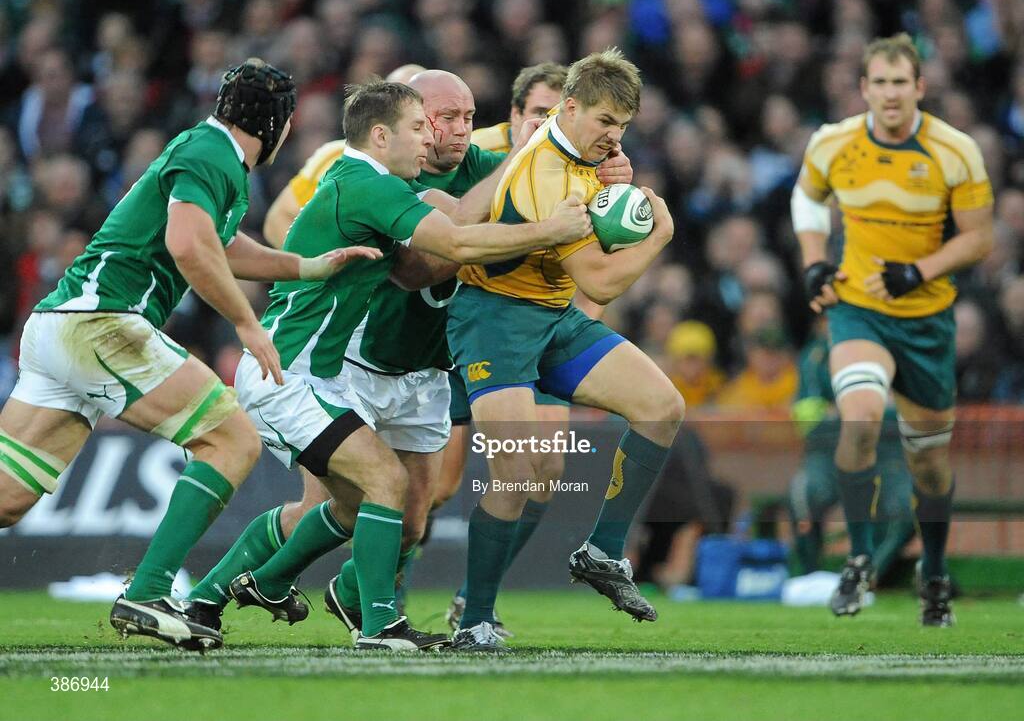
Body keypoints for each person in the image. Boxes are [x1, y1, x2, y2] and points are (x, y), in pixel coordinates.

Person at [190, 66, 631, 642]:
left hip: (426, 368)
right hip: (354, 361)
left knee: (412, 520)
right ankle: (234, 592)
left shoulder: (497, 166)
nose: (454, 130)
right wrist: (532, 208)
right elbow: (420, 264)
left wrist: (610, 181)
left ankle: (337, 593)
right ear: (410, 123)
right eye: (442, 119)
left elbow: (564, 198)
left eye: (467, 118)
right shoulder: (392, 177)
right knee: (354, 498)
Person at [0, 59, 372, 650]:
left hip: (59, 324)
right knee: (231, 439)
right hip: (104, 322)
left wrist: (305, 267)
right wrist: (247, 323)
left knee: (9, 496)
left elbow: (221, 246)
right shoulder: (213, 154)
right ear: (278, 123)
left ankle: (149, 591)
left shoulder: (206, 152)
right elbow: (188, 246)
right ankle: (148, 592)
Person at [446, 48, 684, 650]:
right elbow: (600, 282)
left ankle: (602, 551)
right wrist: (658, 236)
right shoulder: (548, 172)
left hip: (551, 317)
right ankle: (474, 619)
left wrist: (614, 197)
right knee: (516, 470)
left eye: (624, 127)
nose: (614, 136)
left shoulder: (581, 156)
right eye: (605, 122)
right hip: (494, 321)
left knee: (662, 407)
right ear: (570, 108)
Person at [794, 33, 994, 626]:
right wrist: (813, 262)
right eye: (878, 82)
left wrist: (920, 271)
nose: (889, 93)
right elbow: (806, 201)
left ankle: (932, 571)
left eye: (900, 82)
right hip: (858, 308)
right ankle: (858, 560)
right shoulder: (833, 143)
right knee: (857, 414)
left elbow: (981, 236)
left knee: (928, 462)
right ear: (863, 88)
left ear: (919, 87)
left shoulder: (954, 150)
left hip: (928, 320)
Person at [788, 319, 915, 586]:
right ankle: (810, 578)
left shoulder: (898, 349)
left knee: (907, 505)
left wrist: (842, 410)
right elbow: (808, 418)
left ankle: (865, 578)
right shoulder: (816, 355)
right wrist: (868, 411)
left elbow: (911, 413)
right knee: (805, 494)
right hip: (828, 450)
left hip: (889, 453)